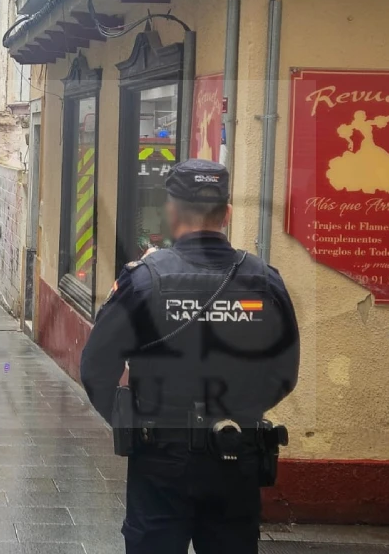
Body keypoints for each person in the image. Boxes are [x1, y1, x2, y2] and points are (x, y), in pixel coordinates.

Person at [80, 159, 300, 554]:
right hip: (237, 452)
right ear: (227, 213)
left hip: (160, 457)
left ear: (171, 211)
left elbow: (96, 368)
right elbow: (285, 371)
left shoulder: (145, 279)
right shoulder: (263, 280)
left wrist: (131, 422)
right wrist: (241, 411)